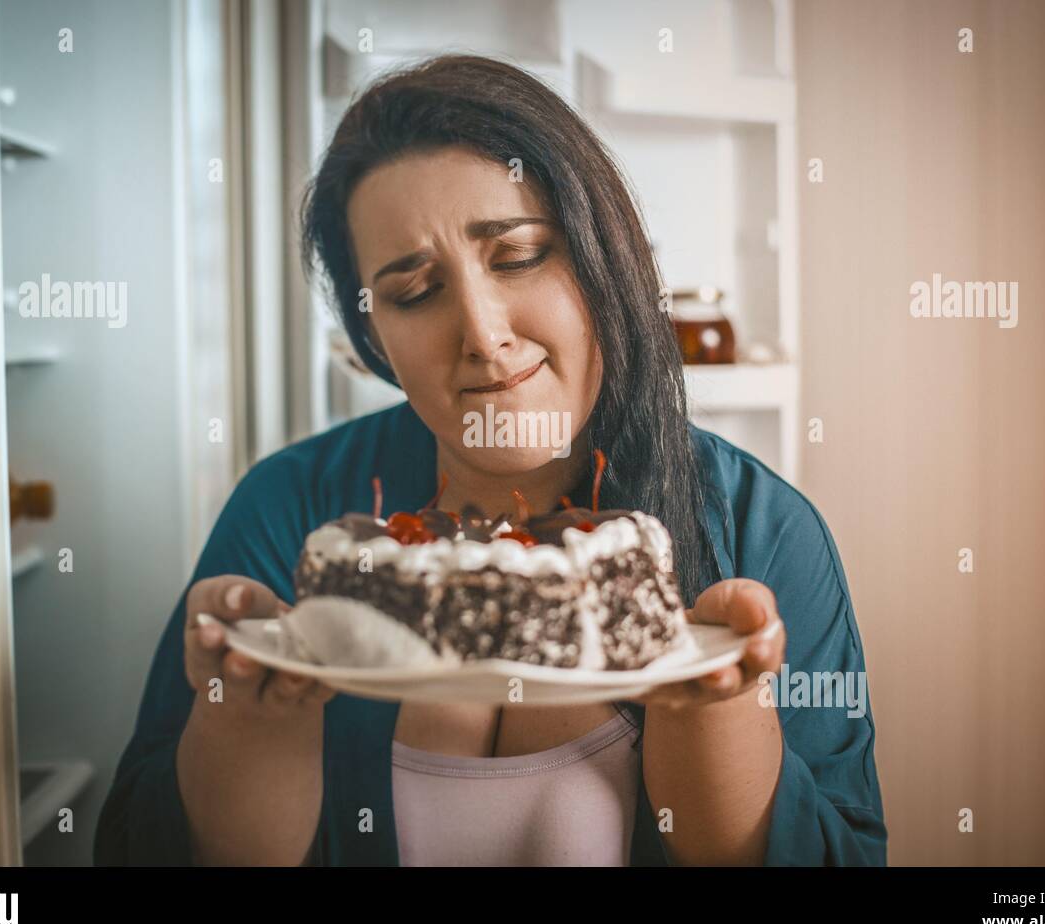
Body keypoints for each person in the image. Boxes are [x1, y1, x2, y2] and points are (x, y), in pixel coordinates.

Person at [94, 54, 886, 867]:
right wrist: (245, 721)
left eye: (517, 256)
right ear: (373, 339)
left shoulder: (760, 530)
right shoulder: (290, 510)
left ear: (599, 255)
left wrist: (714, 716)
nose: (481, 330)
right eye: (413, 292)